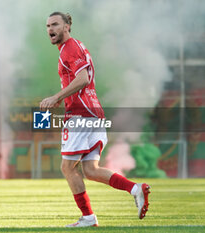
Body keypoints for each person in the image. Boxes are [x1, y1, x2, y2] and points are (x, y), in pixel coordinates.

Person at [40, 12, 151, 227]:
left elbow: (83, 78)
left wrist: (56, 97)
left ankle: (88, 218)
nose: (50, 29)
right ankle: (136, 189)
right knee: (90, 170)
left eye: (55, 24)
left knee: (67, 168)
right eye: (47, 26)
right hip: (94, 113)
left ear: (67, 26)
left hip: (81, 114)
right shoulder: (74, 47)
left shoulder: (70, 48)